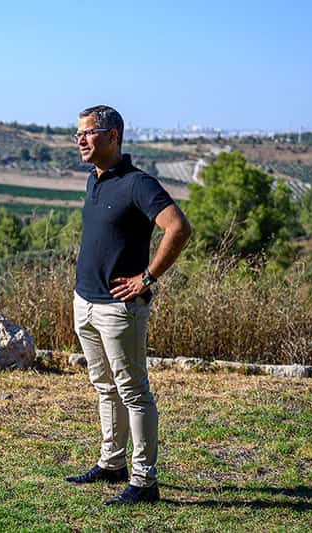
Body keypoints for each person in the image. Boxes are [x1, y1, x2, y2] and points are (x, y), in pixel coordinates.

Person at [64, 105, 192, 505]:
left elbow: (178, 227)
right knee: (105, 388)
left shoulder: (139, 184)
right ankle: (111, 462)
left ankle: (144, 480)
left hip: (120, 310)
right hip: (84, 302)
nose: (81, 140)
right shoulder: (94, 180)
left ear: (113, 136)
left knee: (134, 392)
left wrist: (147, 278)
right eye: (78, 133)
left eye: (88, 132)